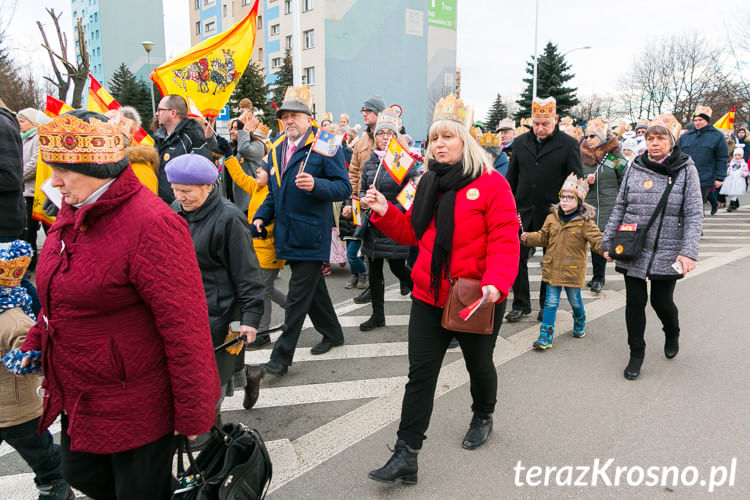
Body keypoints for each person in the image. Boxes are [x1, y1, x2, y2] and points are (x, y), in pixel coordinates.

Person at [18, 110, 220, 498]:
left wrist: (195, 409)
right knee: (78, 472)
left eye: (62, 169)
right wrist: (37, 341)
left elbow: (185, 327)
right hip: (83, 392)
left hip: (137, 401)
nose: (53, 181)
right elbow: (59, 293)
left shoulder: (152, 224)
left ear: (96, 165)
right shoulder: (71, 211)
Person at [365, 94, 520, 484]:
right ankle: (407, 453)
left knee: (478, 365)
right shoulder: (427, 182)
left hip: (475, 296)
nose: (439, 144)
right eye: (435, 138)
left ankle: (483, 412)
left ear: (465, 141)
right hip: (429, 295)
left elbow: (505, 238)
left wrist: (497, 284)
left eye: (448, 137)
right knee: (420, 375)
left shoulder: (492, 184)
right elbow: (412, 234)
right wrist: (385, 213)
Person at [252, 85, 351, 376]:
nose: (289, 120)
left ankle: (280, 358)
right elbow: (274, 192)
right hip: (287, 233)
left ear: (309, 119)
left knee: (296, 298)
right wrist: (260, 218)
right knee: (314, 291)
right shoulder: (278, 148)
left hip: (312, 235)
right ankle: (333, 333)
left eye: (296, 115)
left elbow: (343, 187)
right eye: (285, 116)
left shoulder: (325, 144)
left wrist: (317, 185)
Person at [168, 153, 266, 434]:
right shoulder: (175, 209)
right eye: (175, 190)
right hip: (187, 310)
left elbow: (247, 273)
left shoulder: (230, 219)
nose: (180, 197)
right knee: (205, 371)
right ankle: (250, 374)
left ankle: (211, 433)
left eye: (186, 191)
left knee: (213, 379)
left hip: (226, 314)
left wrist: (250, 317)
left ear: (209, 186)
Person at [601, 114, 703, 381]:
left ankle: (672, 331)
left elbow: (693, 213)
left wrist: (688, 251)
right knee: (635, 302)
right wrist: (607, 240)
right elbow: (620, 206)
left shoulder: (685, 169)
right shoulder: (635, 166)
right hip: (632, 244)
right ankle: (637, 353)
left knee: (661, 301)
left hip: (668, 247)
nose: (654, 143)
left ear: (672, 141)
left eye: (660, 138)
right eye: (650, 138)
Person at [1, 240, 74, 500]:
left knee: (41, 454)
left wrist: (21, 358)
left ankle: (57, 484)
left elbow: (30, 350)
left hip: (19, 411)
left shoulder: (14, 319)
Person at [505, 97, 583, 322]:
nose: (540, 128)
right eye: (536, 123)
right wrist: (507, 202)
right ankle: (521, 304)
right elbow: (512, 176)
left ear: (555, 120)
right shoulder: (520, 143)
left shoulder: (568, 144)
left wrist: (569, 208)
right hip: (523, 210)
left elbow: (575, 176)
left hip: (553, 211)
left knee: (550, 259)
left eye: (545, 124)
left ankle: (545, 304)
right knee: (516, 257)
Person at [521, 175, 603, 349]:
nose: (564, 201)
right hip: (552, 268)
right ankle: (545, 336)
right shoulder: (552, 217)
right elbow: (543, 236)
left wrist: (607, 250)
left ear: (579, 201)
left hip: (573, 269)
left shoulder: (585, 222)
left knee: (574, 300)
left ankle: (580, 320)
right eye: (562, 197)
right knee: (550, 303)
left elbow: (597, 240)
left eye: (569, 197)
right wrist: (528, 237)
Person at [357, 107, 418, 331]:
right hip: (373, 227)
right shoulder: (370, 162)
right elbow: (362, 188)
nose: (384, 137)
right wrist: (364, 200)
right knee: (374, 273)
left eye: (389, 133)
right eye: (380, 133)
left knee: (398, 268)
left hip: (394, 224)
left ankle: (422, 297)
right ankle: (377, 315)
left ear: (396, 136)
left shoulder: (404, 161)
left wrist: (389, 209)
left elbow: (411, 195)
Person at [224, 143, 287, 350]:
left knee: (263, 292)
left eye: (262, 168)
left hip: (269, 250)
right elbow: (240, 177)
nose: (257, 170)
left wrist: (262, 231)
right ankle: (292, 307)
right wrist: (228, 156)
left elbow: (279, 223)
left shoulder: (276, 193)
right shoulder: (257, 187)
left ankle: (263, 331)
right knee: (266, 288)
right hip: (256, 250)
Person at [343, 95, 385, 304]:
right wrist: (353, 198)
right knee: (369, 250)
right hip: (363, 202)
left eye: (368, 111)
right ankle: (373, 289)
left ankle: (408, 280)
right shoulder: (360, 142)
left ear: (378, 112)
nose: (364, 114)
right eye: (363, 111)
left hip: (386, 203)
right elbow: (353, 171)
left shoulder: (390, 138)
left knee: (393, 255)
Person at [579, 116, 624, 294]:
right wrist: (584, 181)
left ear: (602, 138)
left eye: (593, 136)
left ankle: (598, 278)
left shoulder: (612, 156)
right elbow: (570, 180)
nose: (588, 140)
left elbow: (624, 177)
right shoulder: (581, 156)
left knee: (600, 241)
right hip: (587, 205)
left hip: (608, 204)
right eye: (587, 136)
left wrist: (620, 200)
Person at [153, 94, 217, 203]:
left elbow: (202, 177)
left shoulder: (193, 136)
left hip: (184, 207)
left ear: (173, 113)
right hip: (162, 206)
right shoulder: (158, 137)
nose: (157, 113)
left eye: (160, 110)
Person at [676, 106, 728, 216]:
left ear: (707, 121)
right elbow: (676, 153)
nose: (697, 123)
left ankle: (697, 230)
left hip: (705, 177)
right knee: (684, 205)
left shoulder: (717, 136)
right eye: (695, 120)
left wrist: (720, 177)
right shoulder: (686, 136)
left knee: (697, 205)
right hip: (685, 175)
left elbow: (722, 158)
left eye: (700, 120)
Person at [17, 108, 49, 271]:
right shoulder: (23, 138)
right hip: (27, 192)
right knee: (28, 233)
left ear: (32, 122)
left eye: (22, 121)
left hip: (38, 193)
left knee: (48, 230)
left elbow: (35, 163)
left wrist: (17, 176)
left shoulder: (38, 137)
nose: (19, 124)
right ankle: (30, 265)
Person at [719, 146, 749, 211]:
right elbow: (728, 169)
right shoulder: (731, 163)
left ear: (742, 156)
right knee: (732, 191)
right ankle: (736, 203)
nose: (737, 157)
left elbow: (746, 171)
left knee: (736, 191)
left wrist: (743, 174)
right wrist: (727, 172)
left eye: (739, 155)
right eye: (735, 155)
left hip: (739, 180)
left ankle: (731, 204)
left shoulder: (743, 164)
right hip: (731, 179)